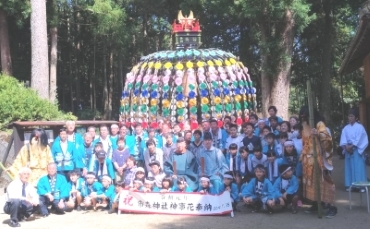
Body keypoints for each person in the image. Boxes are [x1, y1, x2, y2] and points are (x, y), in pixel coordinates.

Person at [299, 106, 337, 218]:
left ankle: (331, 206)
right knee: (312, 184)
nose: (303, 118)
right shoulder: (304, 126)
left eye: (305, 116)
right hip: (307, 160)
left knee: (324, 183)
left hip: (318, 159)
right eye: (302, 116)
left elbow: (327, 141)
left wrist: (318, 135)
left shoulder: (319, 124)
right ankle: (316, 203)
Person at [340, 108, 369, 192]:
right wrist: (346, 147)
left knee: (358, 168)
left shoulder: (360, 127)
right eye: (349, 116)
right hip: (348, 150)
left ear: (356, 118)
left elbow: (360, 138)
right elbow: (343, 138)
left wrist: (352, 146)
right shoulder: (345, 128)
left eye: (352, 116)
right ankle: (350, 185)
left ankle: (361, 186)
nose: (350, 118)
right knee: (349, 168)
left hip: (356, 150)